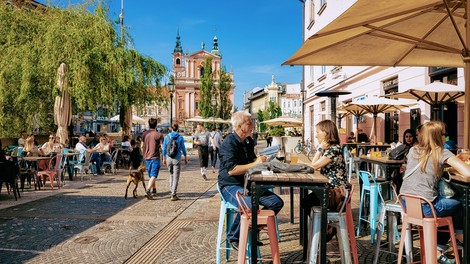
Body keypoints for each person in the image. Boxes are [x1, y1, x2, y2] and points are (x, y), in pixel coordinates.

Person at [400, 121, 470, 263]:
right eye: (445, 134)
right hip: (426, 206)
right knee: (462, 203)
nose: (447, 137)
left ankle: (440, 248)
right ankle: (460, 238)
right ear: (438, 136)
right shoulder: (441, 152)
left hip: (407, 204)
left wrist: (447, 167)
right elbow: (467, 172)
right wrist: (456, 161)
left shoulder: (413, 150)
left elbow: (428, 168)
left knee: (447, 207)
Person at [218, 111, 284, 251]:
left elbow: (251, 161)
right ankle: (234, 236)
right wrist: (255, 164)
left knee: (276, 202)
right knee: (248, 204)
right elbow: (232, 170)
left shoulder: (248, 141)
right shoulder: (229, 142)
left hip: (247, 183)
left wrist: (261, 159)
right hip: (230, 184)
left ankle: (252, 229)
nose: (253, 124)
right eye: (249, 122)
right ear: (240, 125)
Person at [305, 119, 349, 241]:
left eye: (318, 132)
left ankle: (326, 231)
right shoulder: (331, 149)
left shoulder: (333, 150)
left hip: (336, 194)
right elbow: (315, 166)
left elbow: (313, 166)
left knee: (307, 202)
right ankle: (323, 229)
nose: (316, 135)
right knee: (308, 201)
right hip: (332, 191)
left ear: (326, 133)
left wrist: (319, 149)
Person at [162, 123, 188, 201]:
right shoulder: (180, 137)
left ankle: (171, 191)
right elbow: (183, 148)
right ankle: (173, 194)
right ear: (177, 129)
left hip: (168, 157)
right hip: (177, 158)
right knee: (176, 176)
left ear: (171, 129)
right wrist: (185, 157)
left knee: (171, 175)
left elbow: (164, 149)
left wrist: (163, 157)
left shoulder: (166, 137)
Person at [142, 117, 164, 198]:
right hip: (155, 157)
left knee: (151, 175)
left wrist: (144, 154)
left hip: (147, 157)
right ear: (156, 125)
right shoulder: (159, 135)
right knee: (154, 174)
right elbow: (162, 147)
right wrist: (164, 157)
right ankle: (148, 190)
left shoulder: (144, 134)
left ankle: (154, 189)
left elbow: (141, 146)